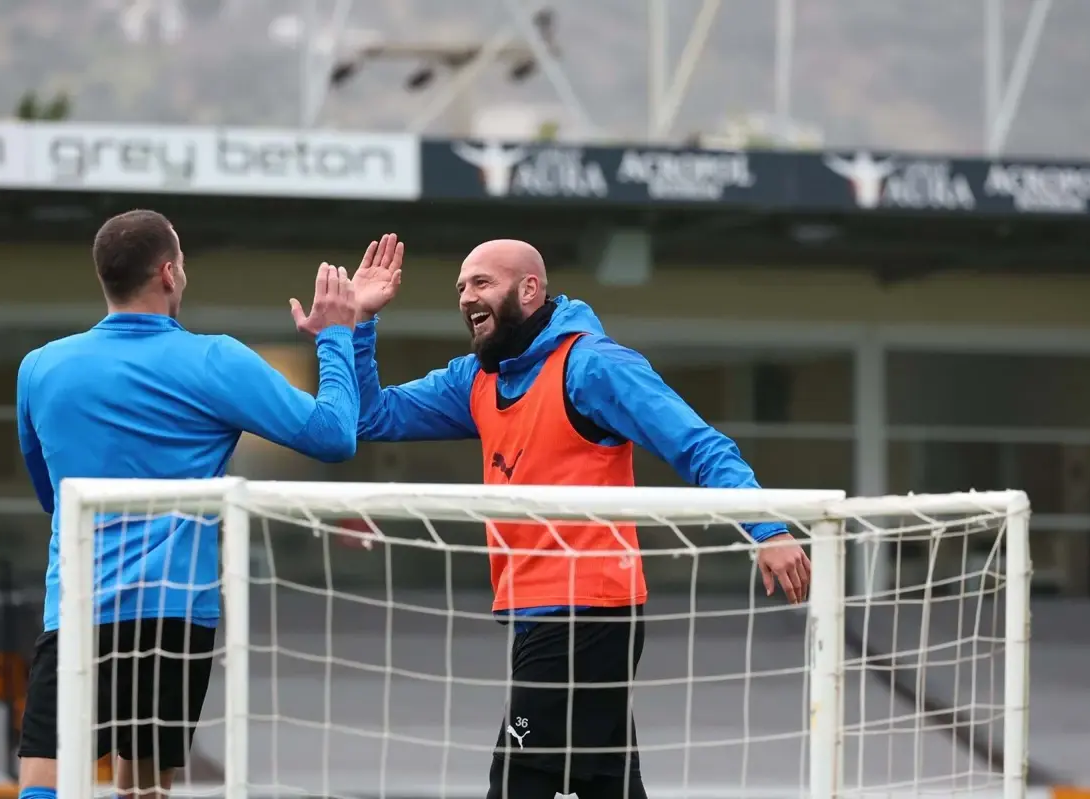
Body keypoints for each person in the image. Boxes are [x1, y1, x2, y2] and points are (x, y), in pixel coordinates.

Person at [348, 234, 813, 799]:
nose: (467, 296)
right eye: (461, 286)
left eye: (482, 282)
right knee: (609, 787)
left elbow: (698, 444)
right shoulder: (476, 378)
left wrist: (767, 527)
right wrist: (360, 322)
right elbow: (371, 416)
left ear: (529, 289)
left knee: (517, 782)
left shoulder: (592, 365)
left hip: (589, 611)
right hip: (537, 614)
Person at [15, 209, 360, 799]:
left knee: (43, 781)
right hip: (173, 616)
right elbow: (334, 435)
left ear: (105, 276)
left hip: (77, 608)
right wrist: (335, 337)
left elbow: (56, 498)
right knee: (144, 789)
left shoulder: (40, 367)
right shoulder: (215, 360)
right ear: (169, 273)